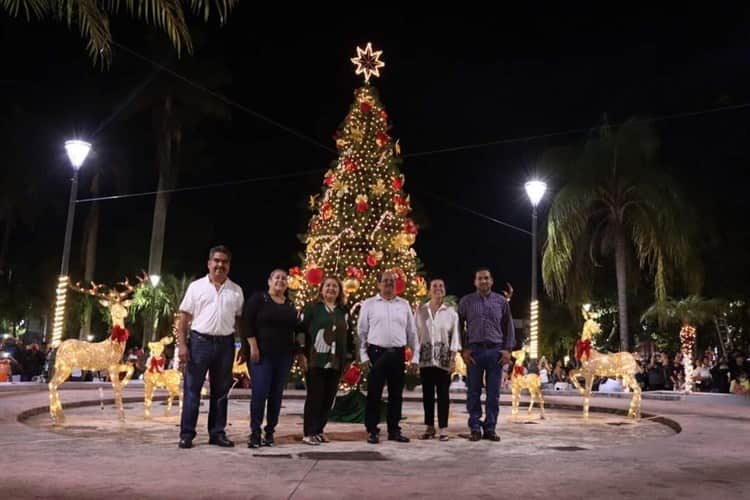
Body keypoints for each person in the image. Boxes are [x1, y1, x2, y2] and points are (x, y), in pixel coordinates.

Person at [177, 245, 244, 449]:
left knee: (221, 392)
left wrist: (242, 345)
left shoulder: (236, 291)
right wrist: (181, 345)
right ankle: (187, 434)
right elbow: (184, 318)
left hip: (225, 344)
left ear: (229, 266)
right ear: (209, 263)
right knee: (192, 390)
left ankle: (217, 433)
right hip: (199, 343)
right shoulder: (196, 287)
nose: (220, 265)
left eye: (224, 262)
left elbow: (240, 320)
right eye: (216, 260)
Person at [242, 268, 302, 448]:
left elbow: (296, 331)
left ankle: (270, 432)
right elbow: (247, 322)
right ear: (269, 281)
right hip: (262, 356)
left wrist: (298, 352)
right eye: (277, 277)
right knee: (259, 393)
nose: (280, 281)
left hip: (283, 357)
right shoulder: (259, 299)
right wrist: (252, 346)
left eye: (284, 279)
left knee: (276, 396)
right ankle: (255, 432)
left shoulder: (290, 305)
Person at [358, 270, 419, 444]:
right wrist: (363, 356)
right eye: (385, 281)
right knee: (374, 394)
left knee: (396, 395)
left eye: (392, 281)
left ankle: (394, 430)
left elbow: (412, 333)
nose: (388, 284)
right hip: (376, 354)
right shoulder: (369, 304)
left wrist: (414, 358)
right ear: (378, 284)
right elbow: (361, 333)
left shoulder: (404, 304)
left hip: (397, 354)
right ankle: (372, 430)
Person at [458, 268, 515, 442]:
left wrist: (508, 350)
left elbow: (508, 326)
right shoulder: (466, 301)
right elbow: (459, 327)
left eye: (486, 278)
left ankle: (490, 428)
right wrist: (463, 350)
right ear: (475, 282)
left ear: (491, 281)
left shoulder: (501, 301)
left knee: (493, 394)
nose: (483, 281)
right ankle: (475, 427)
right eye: (480, 278)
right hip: (474, 352)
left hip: (495, 352)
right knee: (473, 392)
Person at [299, 277, 350, 445]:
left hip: (336, 362)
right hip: (316, 360)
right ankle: (309, 432)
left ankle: (319, 430)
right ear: (321, 289)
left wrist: (347, 359)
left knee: (329, 398)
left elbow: (347, 336)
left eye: (335, 286)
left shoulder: (343, 311)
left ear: (339, 291)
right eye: (328, 285)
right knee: (315, 396)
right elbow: (301, 331)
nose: (331, 289)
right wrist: (301, 353)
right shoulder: (313, 308)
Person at [415, 278, 460, 442]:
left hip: (443, 359)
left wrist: (453, 358)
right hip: (425, 359)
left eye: (441, 286)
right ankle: (429, 427)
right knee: (427, 394)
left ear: (444, 290)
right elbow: (415, 334)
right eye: (434, 286)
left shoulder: (451, 312)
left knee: (443, 395)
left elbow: (455, 337)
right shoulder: (420, 310)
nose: (438, 289)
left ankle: (443, 428)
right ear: (429, 290)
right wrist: (413, 357)